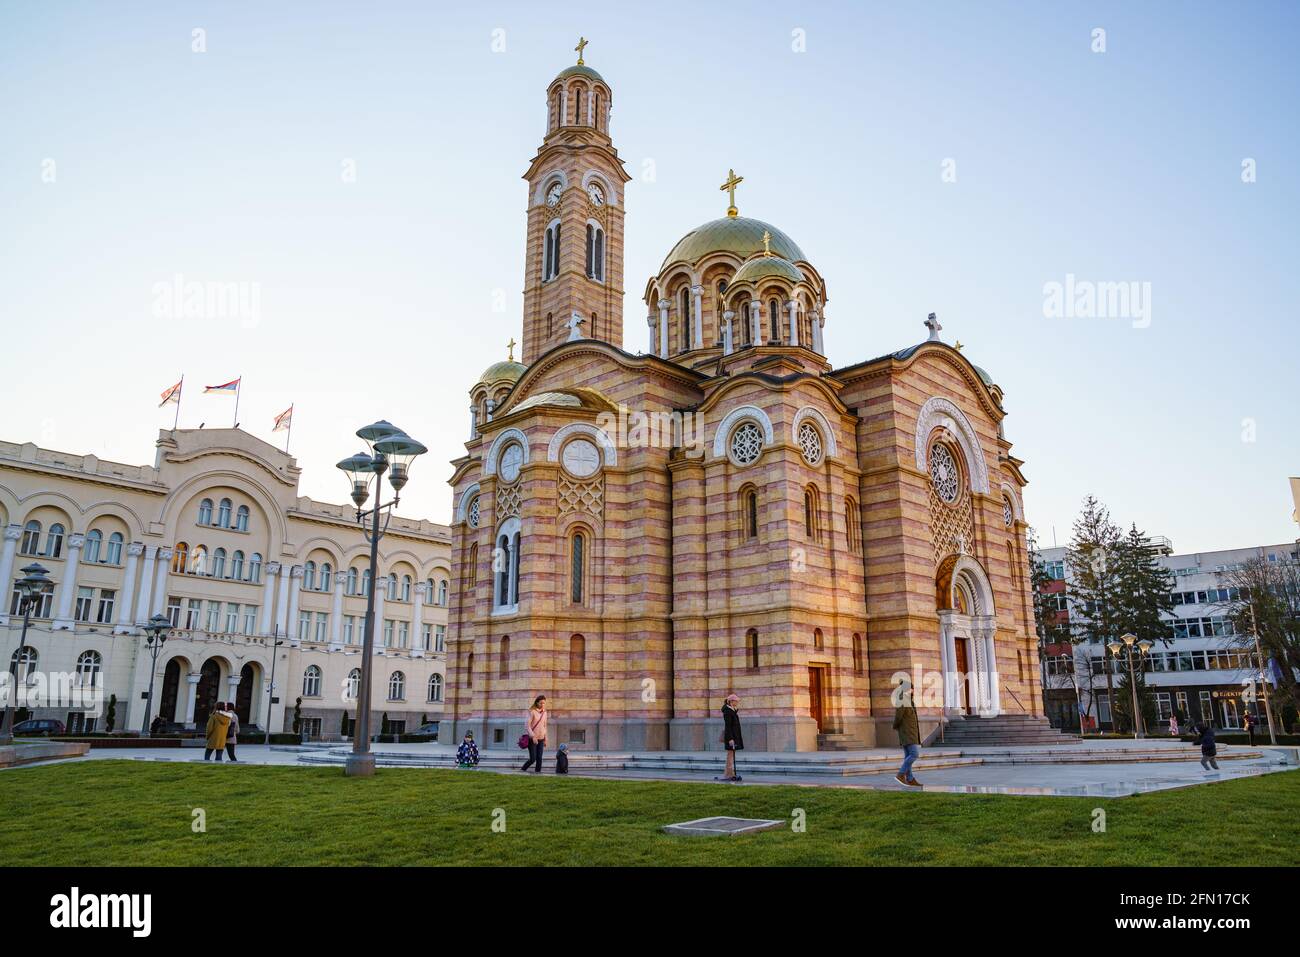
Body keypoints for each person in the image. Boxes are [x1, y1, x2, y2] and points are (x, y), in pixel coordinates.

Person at [893, 684, 922, 787]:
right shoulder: (902, 700)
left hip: (911, 732)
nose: (913, 690)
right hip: (907, 733)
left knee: (907, 756)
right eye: (911, 688)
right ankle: (900, 774)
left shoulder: (909, 700)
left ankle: (910, 779)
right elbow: (898, 716)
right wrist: (896, 726)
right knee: (914, 754)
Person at [716, 693, 744, 782]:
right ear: (731, 701)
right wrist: (730, 739)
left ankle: (729, 774)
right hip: (731, 737)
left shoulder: (732, 710)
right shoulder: (728, 712)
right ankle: (728, 774)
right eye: (736, 701)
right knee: (730, 756)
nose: (737, 703)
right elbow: (728, 726)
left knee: (731, 756)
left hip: (734, 736)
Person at [520, 695, 548, 773]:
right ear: (536, 702)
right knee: (533, 759)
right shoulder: (531, 711)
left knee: (539, 758)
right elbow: (527, 725)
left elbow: (545, 726)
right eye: (541, 703)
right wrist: (533, 736)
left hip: (541, 738)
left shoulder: (545, 712)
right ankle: (522, 770)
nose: (542, 705)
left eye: (544, 703)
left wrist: (546, 738)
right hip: (532, 739)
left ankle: (538, 773)